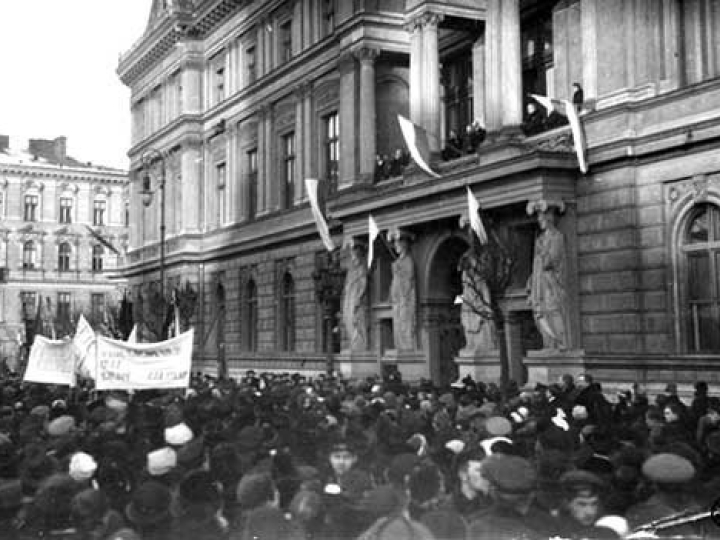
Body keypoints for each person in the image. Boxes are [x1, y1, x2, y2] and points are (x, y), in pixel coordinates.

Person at [527, 201, 569, 350]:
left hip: (551, 285)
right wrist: (531, 281)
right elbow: (537, 265)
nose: (539, 222)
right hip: (539, 285)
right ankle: (548, 344)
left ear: (549, 219)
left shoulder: (557, 237)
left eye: (542, 219)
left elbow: (550, 261)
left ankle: (559, 343)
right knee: (541, 314)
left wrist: (542, 250)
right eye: (538, 219)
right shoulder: (540, 239)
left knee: (553, 312)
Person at [458, 249, 495, 355]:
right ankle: (470, 343)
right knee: (466, 323)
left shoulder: (480, 279)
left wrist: (487, 307)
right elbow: (465, 292)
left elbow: (485, 292)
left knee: (481, 325)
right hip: (468, 305)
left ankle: (480, 344)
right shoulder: (465, 277)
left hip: (478, 306)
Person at [390, 232, 417, 350]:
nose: (395, 247)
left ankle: (407, 347)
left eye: (397, 244)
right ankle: (402, 346)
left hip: (405, 300)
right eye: (395, 244)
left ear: (404, 245)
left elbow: (408, 280)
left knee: (406, 324)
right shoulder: (397, 263)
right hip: (397, 301)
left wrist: (399, 271)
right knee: (398, 325)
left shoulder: (408, 260)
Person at [343, 242, 369, 351]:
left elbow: (363, 284)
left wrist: (359, 297)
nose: (353, 259)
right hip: (349, 298)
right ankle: (354, 344)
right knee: (348, 319)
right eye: (352, 256)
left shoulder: (361, 269)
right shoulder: (351, 271)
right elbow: (347, 285)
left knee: (356, 321)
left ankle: (359, 345)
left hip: (355, 298)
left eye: (354, 256)